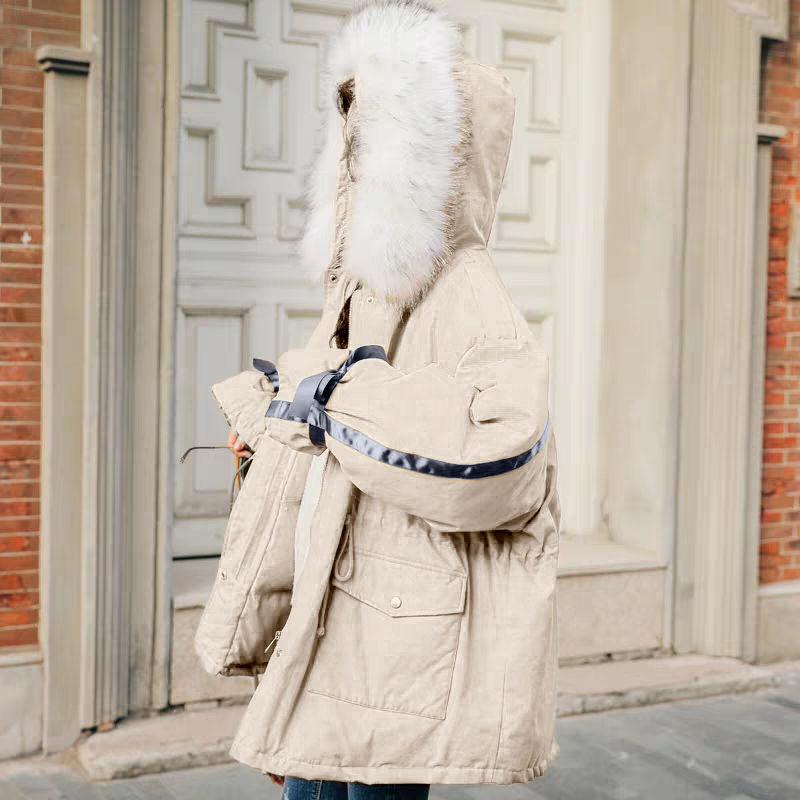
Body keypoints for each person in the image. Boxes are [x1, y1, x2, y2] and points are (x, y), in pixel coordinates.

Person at [195, 1, 560, 796]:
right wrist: (276, 428)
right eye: (356, 150)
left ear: (438, 161)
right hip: (342, 625)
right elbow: (333, 430)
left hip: (394, 656)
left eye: (385, 147)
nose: (361, 170)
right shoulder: (366, 293)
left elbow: (504, 461)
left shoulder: (469, 294)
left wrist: (331, 405)